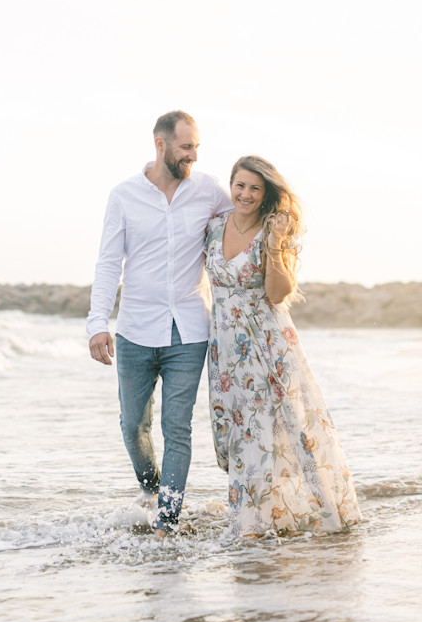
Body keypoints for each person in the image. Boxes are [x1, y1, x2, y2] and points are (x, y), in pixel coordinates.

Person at [87, 110, 233, 537]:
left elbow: (243, 217)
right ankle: (151, 489)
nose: (192, 155)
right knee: (133, 425)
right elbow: (109, 262)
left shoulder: (208, 191)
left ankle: (167, 522)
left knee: (177, 427)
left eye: (196, 148)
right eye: (186, 146)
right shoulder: (124, 195)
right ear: (161, 144)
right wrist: (98, 322)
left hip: (189, 331)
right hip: (135, 329)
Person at [205, 155, 362, 538]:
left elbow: (277, 294)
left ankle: (255, 525)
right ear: (231, 186)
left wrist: (274, 243)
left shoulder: (272, 230)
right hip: (225, 349)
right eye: (239, 185)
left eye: (254, 188)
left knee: (279, 428)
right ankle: (264, 516)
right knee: (237, 430)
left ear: (265, 193)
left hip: (267, 342)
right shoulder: (211, 227)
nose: (245, 194)